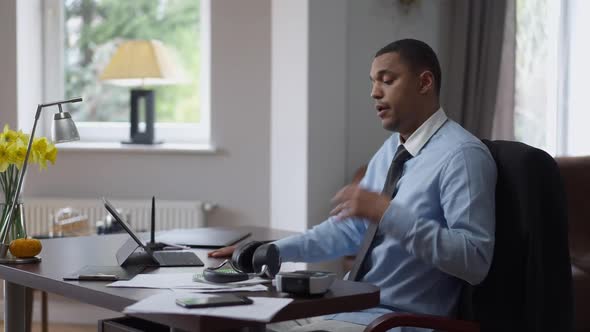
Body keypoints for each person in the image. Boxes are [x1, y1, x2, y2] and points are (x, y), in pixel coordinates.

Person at [209, 39, 497, 332]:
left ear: (424, 82)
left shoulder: (461, 155)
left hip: (394, 321)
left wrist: (387, 213)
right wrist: (268, 251)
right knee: (241, 321)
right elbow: (350, 230)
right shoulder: (391, 150)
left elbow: (474, 260)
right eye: (373, 82)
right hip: (348, 309)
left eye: (387, 80)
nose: (374, 93)